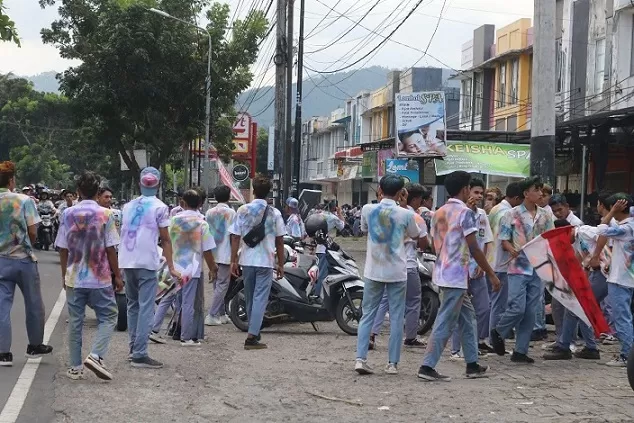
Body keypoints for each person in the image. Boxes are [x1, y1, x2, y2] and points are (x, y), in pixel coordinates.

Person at [417, 172, 499, 381]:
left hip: (443, 271)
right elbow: (474, 247)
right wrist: (491, 273)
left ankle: (472, 364)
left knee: (468, 318)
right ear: (465, 189)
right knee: (445, 320)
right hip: (455, 276)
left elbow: (435, 243)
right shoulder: (465, 213)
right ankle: (427, 366)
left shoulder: (439, 212)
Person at [55, 171, 121, 380]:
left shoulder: (67, 214)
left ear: (78, 191)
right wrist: (117, 276)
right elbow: (111, 249)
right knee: (109, 316)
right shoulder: (106, 214)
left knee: (76, 322)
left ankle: (75, 367)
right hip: (99, 278)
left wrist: (64, 275)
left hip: (74, 276)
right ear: (97, 191)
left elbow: (62, 248)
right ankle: (96, 355)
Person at [354, 175, 421, 375]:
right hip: (397, 271)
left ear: (380, 190)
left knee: (368, 315)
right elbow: (416, 234)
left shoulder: (367, 209)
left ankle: (360, 358)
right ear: (402, 192)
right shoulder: (406, 214)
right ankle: (392, 363)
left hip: (374, 270)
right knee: (396, 317)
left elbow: (364, 229)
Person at [119, 167, 180, 369]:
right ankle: (140, 354)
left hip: (127, 260)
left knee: (132, 305)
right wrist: (171, 266)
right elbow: (165, 239)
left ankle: (133, 349)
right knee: (146, 306)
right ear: (159, 184)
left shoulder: (127, 207)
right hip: (146, 262)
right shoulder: (161, 208)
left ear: (139, 183)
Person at [491, 176, 554, 363]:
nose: (540, 193)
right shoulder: (511, 214)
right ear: (526, 193)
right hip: (518, 266)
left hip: (538, 266)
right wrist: (513, 250)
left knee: (531, 310)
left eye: (541, 190)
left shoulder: (546, 215)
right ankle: (499, 331)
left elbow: (550, 238)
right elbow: (503, 240)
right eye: (537, 189)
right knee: (517, 307)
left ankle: (520, 351)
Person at [0, 161, 52, 367]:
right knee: (34, 303)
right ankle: (35, 345)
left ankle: (3, 353)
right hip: (24, 260)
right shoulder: (24, 200)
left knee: (2, 306)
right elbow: (32, 231)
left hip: (1, 261)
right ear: (12, 180)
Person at [368, 184, 429, 351]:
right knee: (413, 301)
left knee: (384, 301)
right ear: (415, 199)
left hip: (387, 265)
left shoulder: (385, 214)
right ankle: (410, 337)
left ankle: (372, 334)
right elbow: (424, 243)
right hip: (408, 264)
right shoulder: (414, 217)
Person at [229, 175, 286, 350]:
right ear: (268, 192)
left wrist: (233, 260)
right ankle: (252, 336)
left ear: (253, 191)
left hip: (246, 259)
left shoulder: (242, 210)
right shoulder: (274, 213)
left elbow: (235, 237)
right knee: (260, 298)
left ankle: (254, 331)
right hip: (266, 260)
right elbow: (280, 241)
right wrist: (281, 264)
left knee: (250, 296)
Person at [449, 178, 495, 358]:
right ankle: (456, 349)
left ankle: (472, 345)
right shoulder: (460, 212)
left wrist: (483, 266)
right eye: (475, 192)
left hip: (478, 269)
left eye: (481, 194)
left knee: (483, 308)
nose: (478, 196)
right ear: (467, 192)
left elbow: (484, 242)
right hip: (460, 270)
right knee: (459, 310)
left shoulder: (482, 215)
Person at [168, 190, 217, 346]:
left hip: (176, 266)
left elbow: (166, 242)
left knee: (178, 300)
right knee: (189, 303)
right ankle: (186, 337)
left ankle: (172, 330)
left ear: (184, 202)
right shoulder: (202, 222)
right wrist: (213, 268)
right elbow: (208, 250)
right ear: (200, 204)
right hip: (193, 267)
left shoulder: (174, 220)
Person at [590, 194, 634, 366]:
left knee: (621, 318)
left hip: (620, 279)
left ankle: (626, 356)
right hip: (625, 276)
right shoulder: (629, 225)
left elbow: (600, 230)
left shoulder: (625, 228)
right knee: (626, 316)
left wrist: (611, 212)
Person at [486, 182, 523, 341]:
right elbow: (506, 240)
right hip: (501, 263)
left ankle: (487, 336)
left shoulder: (495, 209)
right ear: (516, 198)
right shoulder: (508, 213)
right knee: (499, 305)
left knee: (492, 302)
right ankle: (494, 339)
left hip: (490, 260)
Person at [205, 185, 236, 326]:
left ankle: (221, 314)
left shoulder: (209, 212)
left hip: (212, 251)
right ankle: (212, 314)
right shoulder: (231, 213)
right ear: (228, 196)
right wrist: (234, 257)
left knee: (217, 283)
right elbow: (233, 235)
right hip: (225, 251)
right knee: (223, 284)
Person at [313, 201, 345, 298]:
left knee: (318, 271)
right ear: (334, 208)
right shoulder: (333, 217)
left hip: (318, 247)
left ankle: (317, 291)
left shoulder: (319, 215)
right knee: (323, 273)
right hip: (326, 248)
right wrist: (339, 213)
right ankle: (317, 295)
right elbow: (342, 226)